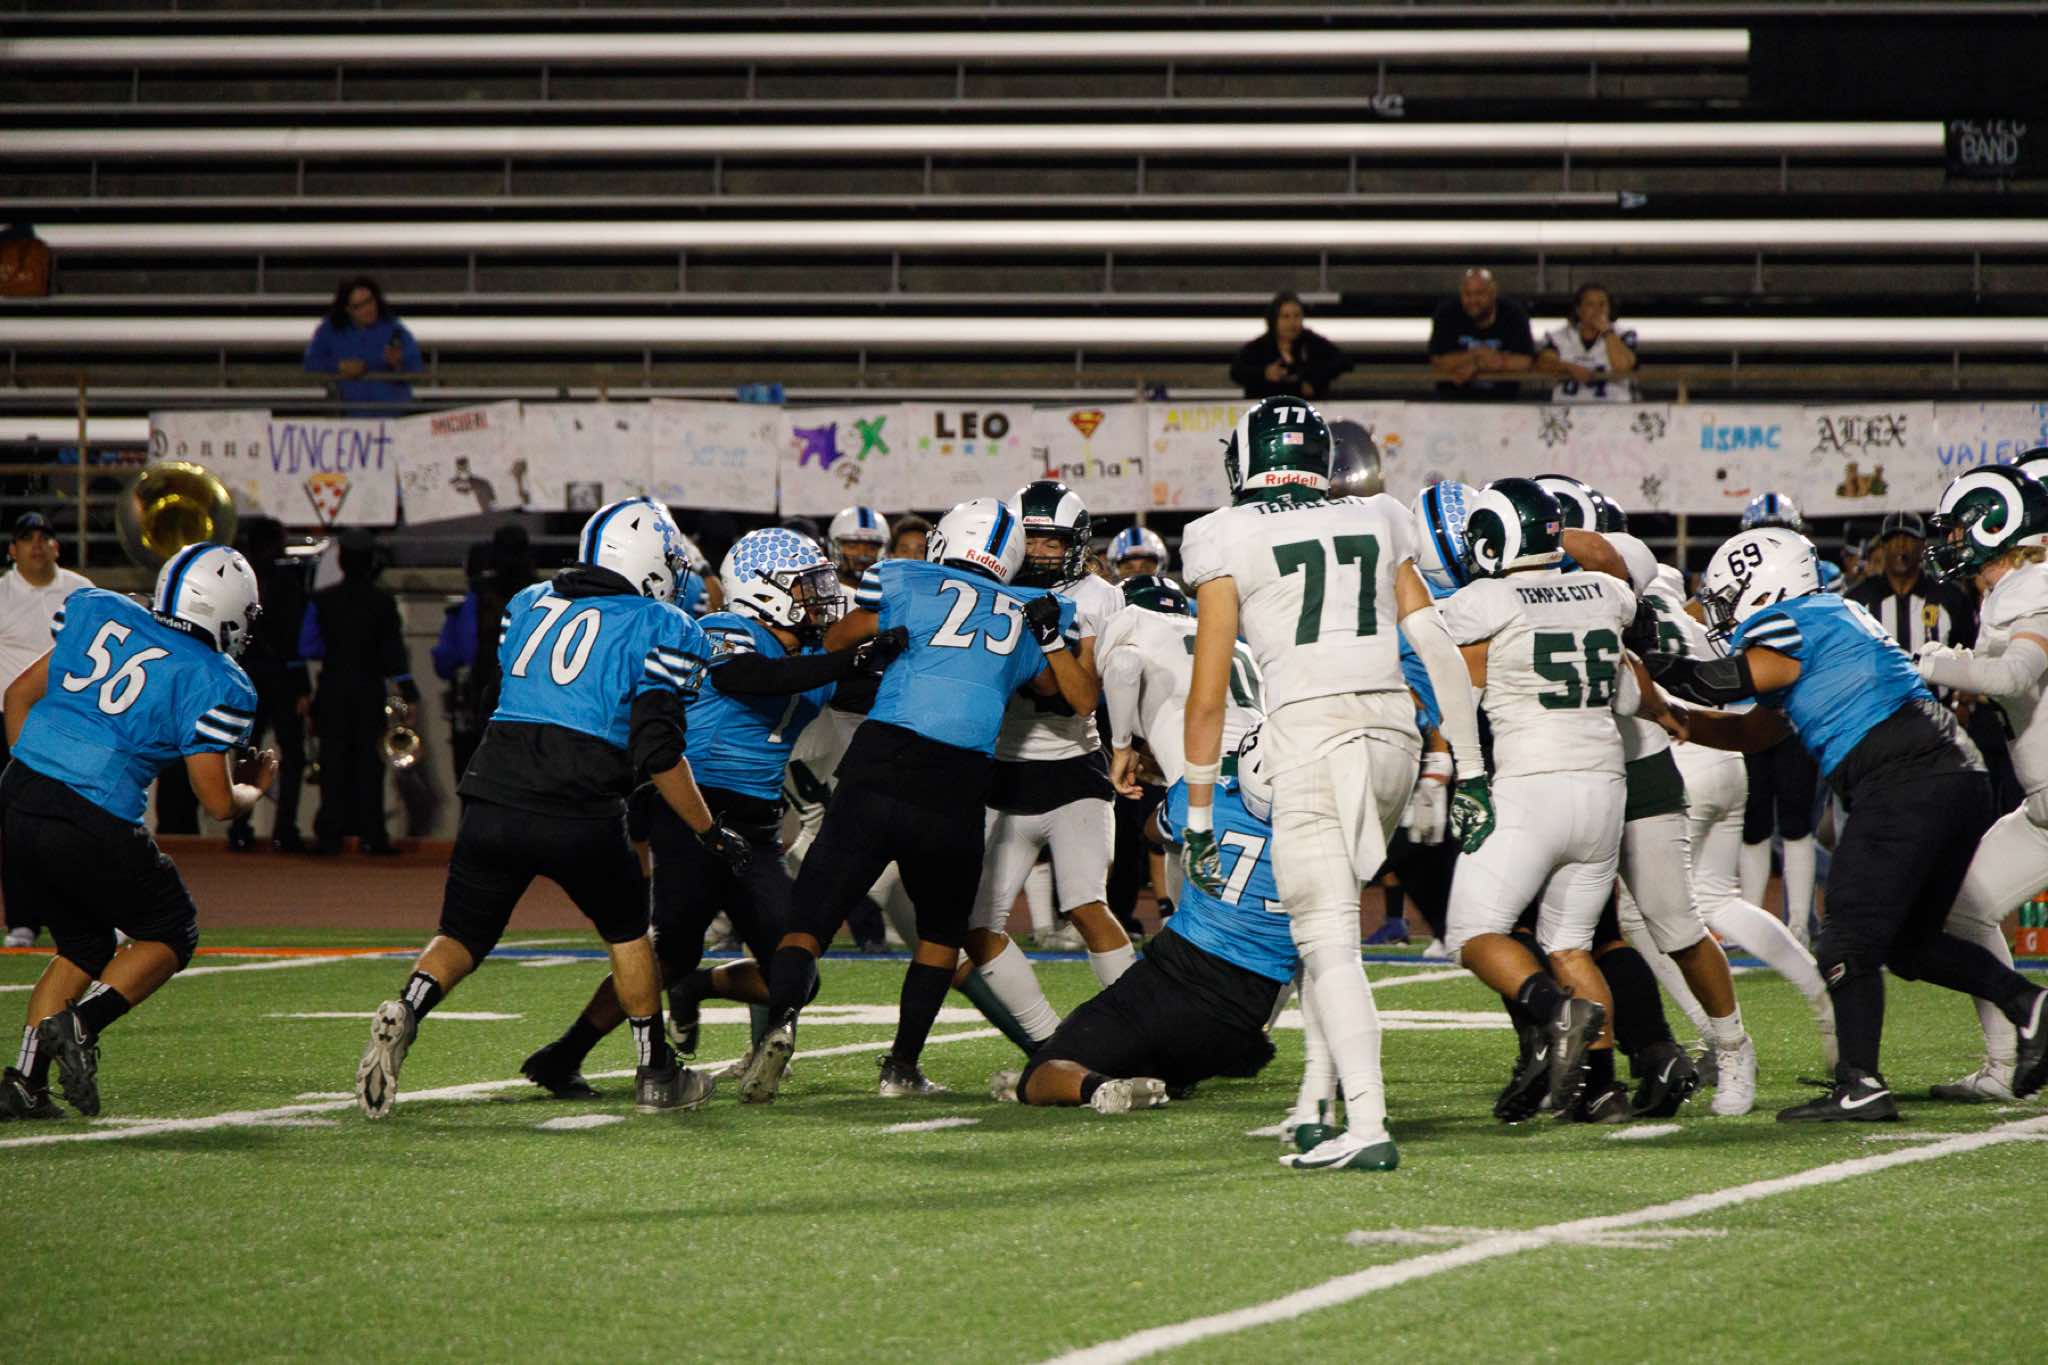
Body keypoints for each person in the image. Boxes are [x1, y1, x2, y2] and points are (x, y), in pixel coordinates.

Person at [353, 498, 740, 1119]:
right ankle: (657, 1073)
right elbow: (660, 751)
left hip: (494, 788)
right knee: (628, 934)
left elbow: (499, 694)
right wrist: (709, 829)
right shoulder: (660, 624)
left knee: (462, 934)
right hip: (579, 802)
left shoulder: (529, 602)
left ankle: (409, 1005)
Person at [1179, 395, 1488, 1172]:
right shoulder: (1379, 514)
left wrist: (1199, 814)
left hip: (1313, 736)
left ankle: (1369, 1125)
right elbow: (1436, 646)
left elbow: (1209, 694)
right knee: (1327, 935)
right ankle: (1316, 1104)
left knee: (1326, 939)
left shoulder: (1224, 533)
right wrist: (1472, 767)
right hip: (1393, 736)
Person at [1646, 526, 2048, 1120]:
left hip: (1905, 774)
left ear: (1766, 587)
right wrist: (1676, 716)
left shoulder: (1792, 620)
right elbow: (1756, 730)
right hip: (1950, 772)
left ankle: (1860, 1083)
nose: (1724, 613)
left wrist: (1644, 658)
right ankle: (2029, 1004)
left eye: (1729, 598)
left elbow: (1717, 680)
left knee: (1845, 938)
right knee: (1909, 944)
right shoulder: (1831, 618)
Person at [518, 528, 905, 1099]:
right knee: (671, 950)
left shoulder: (810, 657)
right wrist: (850, 660)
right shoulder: (725, 629)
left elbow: (852, 680)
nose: (820, 599)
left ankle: (695, 990)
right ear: (764, 590)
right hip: (693, 810)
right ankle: (567, 1053)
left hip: (756, 825)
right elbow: (747, 677)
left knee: (795, 968)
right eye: (806, 587)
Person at [740, 497, 1091, 1103]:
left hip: (881, 759)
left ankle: (782, 1024)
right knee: (939, 938)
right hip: (958, 781)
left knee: (809, 921)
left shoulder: (903, 576)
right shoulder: (1030, 610)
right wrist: (1042, 640)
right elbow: (1060, 693)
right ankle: (901, 1067)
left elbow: (839, 639)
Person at [0, 544, 271, 1121]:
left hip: (18, 797)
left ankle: (24, 1082)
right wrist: (257, 787)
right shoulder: (214, 677)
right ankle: (80, 1023)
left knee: (84, 946)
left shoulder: (100, 609)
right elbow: (217, 802)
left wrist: (39, 773)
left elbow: (16, 696)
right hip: (92, 812)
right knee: (171, 929)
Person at [1536, 474, 1759, 1117]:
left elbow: (1606, 559)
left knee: (1675, 923)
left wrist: (1543, 533)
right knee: (1569, 936)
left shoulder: (1620, 557)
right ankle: (1593, 1069)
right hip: (1568, 769)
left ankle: (1733, 1046)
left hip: (1637, 763)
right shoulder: (1521, 585)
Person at [1436, 479, 1644, 1123]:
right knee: (1571, 946)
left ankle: (1557, 1013)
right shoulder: (1606, 592)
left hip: (1533, 786)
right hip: (1604, 788)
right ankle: (1603, 1090)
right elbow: (1613, 565)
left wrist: (1454, 770)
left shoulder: (1485, 600)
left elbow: (1453, 684)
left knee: (1472, 933)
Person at [992, 728, 1289, 1115]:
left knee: (1039, 1074)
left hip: (1174, 977)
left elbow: (1154, 829)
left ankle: (1096, 1088)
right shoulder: (1328, 827)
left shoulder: (1207, 795)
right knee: (1170, 1052)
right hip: (1246, 1013)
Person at [955, 481, 1126, 1052]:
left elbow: (1086, 696)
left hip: (1075, 769)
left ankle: (1141, 1032)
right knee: (977, 928)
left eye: (1053, 542)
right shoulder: (984, 587)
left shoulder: (1101, 598)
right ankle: (1050, 1043)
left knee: (1086, 904)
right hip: (1001, 774)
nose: (1041, 553)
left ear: (1076, 544)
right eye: (1031, 540)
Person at [1913, 466, 2048, 1102]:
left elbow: (2017, 674)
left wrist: (1932, 662)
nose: (1951, 541)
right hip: (2042, 808)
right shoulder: (2011, 590)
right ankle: (2005, 1064)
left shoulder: (2036, 584)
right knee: (1961, 907)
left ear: (1998, 524)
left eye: (1959, 527)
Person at [1735, 492, 1826, 946]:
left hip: (1796, 712)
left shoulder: (1817, 577)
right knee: (1752, 824)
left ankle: (1798, 923)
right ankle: (1754, 924)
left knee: (1796, 820)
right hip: (1750, 711)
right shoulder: (1733, 579)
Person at [0, 512, 92, 948]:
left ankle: (89, 915)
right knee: (17, 823)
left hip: (66, 720)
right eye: (26, 538)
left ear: (56, 546)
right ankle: (23, 920)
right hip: (9, 720)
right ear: (12, 550)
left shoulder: (81, 591)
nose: (36, 544)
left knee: (79, 821)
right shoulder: (1, 594)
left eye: (44, 537)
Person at [300, 531, 417, 856]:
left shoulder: (322, 600)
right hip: (368, 688)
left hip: (333, 687)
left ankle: (330, 834)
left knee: (333, 760)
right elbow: (394, 653)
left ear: (340, 562)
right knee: (370, 763)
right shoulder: (383, 602)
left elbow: (308, 646)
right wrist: (409, 692)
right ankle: (372, 834)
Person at [225, 518, 310, 854]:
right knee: (294, 755)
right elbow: (294, 637)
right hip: (283, 677)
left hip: (246, 677)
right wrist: (303, 686)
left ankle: (240, 826)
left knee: (248, 753)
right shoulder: (288, 582)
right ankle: (284, 829)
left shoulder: (237, 582)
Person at [432, 525, 536, 783]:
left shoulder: (478, 595)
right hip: (533, 706)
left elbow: (454, 654)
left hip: (485, 698)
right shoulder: (545, 594)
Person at [303, 276, 422, 411]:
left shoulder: (394, 328)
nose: (368, 309)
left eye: (370, 301)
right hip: (349, 415)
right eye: (359, 306)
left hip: (392, 414)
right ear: (348, 309)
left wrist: (398, 364)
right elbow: (311, 363)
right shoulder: (331, 330)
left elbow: (416, 368)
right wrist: (340, 366)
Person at [1427, 267, 1535, 400]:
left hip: (1503, 402)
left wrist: (1477, 365)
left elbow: (1524, 361)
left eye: (1479, 294)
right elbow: (1438, 361)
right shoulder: (1446, 313)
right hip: (1454, 402)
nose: (1473, 300)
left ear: (1493, 293)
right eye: (1467, 294)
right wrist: (1479, 354)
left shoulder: (1514, 313)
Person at [1229, 291, 1352, 401]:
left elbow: (1343, 361)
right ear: (1274, 320)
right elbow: (1236, 371)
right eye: (1286, 317)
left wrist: (1314, 379)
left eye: (1297, 316)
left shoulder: (1311, 341)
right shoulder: (1260, 346)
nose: (1292, 323)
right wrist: (1264, 373)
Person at [1536, 283, 1638, 403]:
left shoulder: (1624, 334)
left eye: (1602, 304)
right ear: (1578, 309)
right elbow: (1544, 362)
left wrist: (1607, 332)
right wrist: (1569, 367)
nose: (1598, 310)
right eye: (1590, 304)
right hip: (1567, 406)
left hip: (1612, 406)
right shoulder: (1559, 336)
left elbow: (1622, 367)